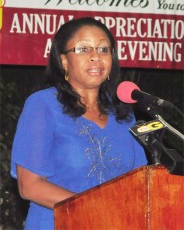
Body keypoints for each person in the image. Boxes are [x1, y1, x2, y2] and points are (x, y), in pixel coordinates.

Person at [11, 17, 147, 230]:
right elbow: (30, 186)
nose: (96, 57)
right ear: (64, 61)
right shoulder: (43, 105)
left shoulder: (123, 114)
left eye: (104, 49)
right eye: (84, 49)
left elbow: (141, 182)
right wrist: (98, 210)